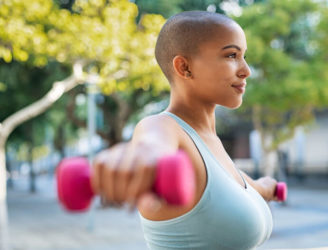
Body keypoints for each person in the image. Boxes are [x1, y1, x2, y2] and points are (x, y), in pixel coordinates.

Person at [91, 11, 279, 250]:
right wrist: (137, 158)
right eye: (231, 55)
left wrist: (267, 188)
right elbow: (152, 145)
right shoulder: (163, 127)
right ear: (184, 67)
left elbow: (244, 186)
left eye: (243, 56)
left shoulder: (209, 140)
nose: (246, 70)